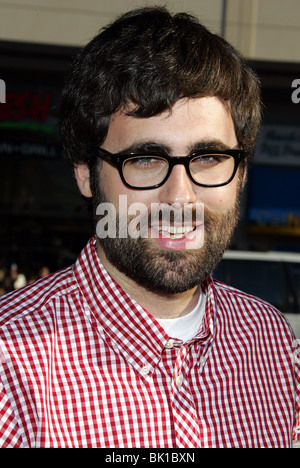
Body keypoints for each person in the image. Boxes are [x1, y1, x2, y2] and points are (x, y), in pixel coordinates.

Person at [0, 6, 299, 448]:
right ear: (85, 172)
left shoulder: (270, 339)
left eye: (209, 158)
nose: (180, 197)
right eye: (144, 159)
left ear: (242, 172)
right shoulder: (10, 370)